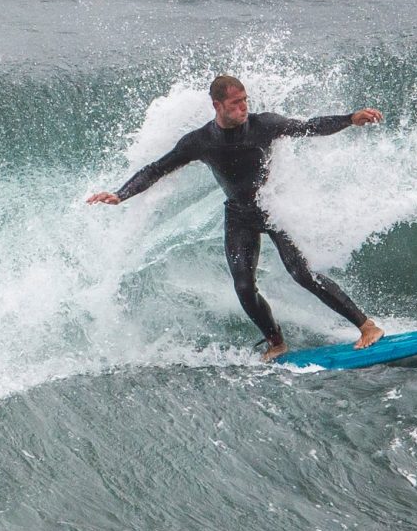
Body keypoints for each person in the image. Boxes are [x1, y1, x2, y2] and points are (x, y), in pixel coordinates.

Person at [88, 74, 387, 359]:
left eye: (245, 100)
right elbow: (157, 168)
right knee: (244, 287)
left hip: (272, 207)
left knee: (301, 274)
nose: (244, 107)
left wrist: (349, 119)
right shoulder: (200, 141)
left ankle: (366, 326)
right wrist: (121, 194)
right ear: (217, 106)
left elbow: (308, 127)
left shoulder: (264, 125)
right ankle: (276, 343)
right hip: (239, 214)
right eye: (235, 103)